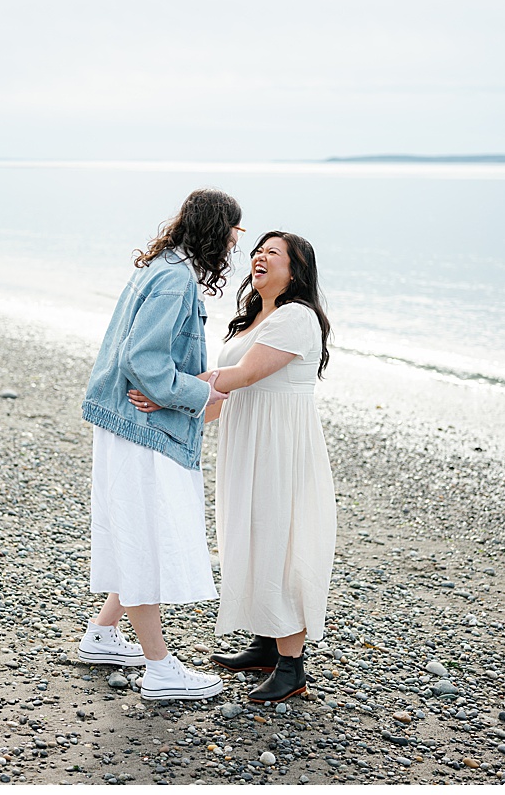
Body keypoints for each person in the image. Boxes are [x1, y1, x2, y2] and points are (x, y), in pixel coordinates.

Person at [133, 231, 337, 704]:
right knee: (246, 535)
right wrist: (168, 421)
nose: (259, 258)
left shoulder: (297, 318)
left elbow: (242, 376)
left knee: (281, 542)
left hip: (281, 446)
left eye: (273, 253)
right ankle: (267, 643)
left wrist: (165, 391)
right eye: (257, 251)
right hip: (245, 443)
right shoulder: (252, 321)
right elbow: (225, 394)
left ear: (296, 270)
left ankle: (292, 666)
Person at [73, 188, 245, 701]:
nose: (240, 238)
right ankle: (160, 668)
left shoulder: (162, 266)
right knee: (146, 537)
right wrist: (196, 393)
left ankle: (103, 634)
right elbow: (144, 361)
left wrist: (165, 391)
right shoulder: (175, 278)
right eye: (235, 228)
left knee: (133, 528)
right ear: (217, 229)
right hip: (140, 429)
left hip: (123, 421)